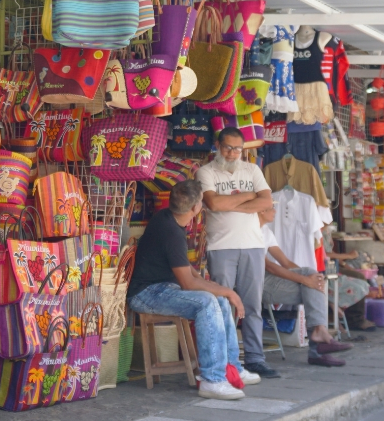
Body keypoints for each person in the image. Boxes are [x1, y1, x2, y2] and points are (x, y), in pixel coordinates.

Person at [126, 179, 260, 400]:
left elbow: (184, 268)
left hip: (163, 287)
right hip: (145, 294)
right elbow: (187, 284)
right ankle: (212, 379)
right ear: (196, 208)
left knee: (219, 300)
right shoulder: (171, 231)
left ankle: (232, 368)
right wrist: (229, 291)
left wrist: (220, 291)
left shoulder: (168, 218)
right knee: (208, 302)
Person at [196, 127, 277, 379]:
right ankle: (226, 360)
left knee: (253, 306)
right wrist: (249, 197)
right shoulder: (205, 172)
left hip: (253, 245)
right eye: (228, 147)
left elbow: (266, 202)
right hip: (220, 247)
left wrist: (236, 203)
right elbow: (214, 203)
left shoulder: (252, 170)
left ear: (244, 150)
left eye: (237, 149)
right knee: (223, 305)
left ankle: (255, 359)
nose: (232, 154)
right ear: (218, 146)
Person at [259, 204, 354, 367]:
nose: (275, 211)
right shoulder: (252, 231)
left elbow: (286, 263)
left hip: (270, 279)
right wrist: (304, 280)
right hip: (257, 283)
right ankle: (317, 347)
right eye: (271, 208)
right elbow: (269, 266)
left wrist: (308, 277)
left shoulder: (266, 231)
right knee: (312, 288)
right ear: (260, 210)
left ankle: (320, 335)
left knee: (313, 281)